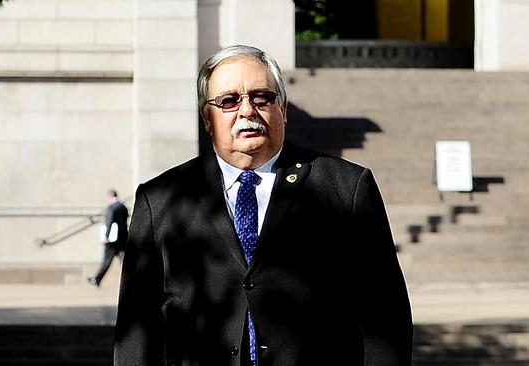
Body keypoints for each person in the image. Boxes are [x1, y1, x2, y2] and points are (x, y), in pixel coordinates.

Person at [114, 45, 412, 365]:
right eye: (228, 101)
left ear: (282, 109)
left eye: (261, 97)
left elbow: (385, 318)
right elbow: (137, 330)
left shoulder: (347, 189)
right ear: (207, 118)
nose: (247, 111)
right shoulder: (160, 201)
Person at [88, 189, 128, 287]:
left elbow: (109, 222)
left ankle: (97, 279)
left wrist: (106, 236)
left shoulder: (111, 208)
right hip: (123, 238)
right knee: (124, 260)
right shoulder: (123, 207)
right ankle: (131, 278)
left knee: (107, 260)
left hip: (112, 240)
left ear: (110, 197)